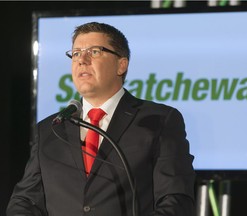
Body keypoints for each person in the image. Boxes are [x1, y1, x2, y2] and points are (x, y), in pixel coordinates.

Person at [7, 22, 196, 216]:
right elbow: (25, 200)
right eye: (76, 53)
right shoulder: (50, 128)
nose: (82, 60)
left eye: (95, 51)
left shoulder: (158, 120)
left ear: (121, 65)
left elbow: (176, 200)